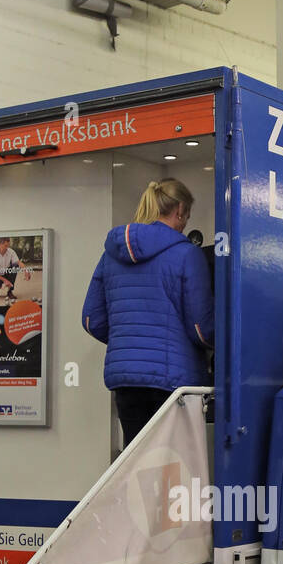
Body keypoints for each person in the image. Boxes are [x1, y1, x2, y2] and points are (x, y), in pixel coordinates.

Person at [82, 178, 214, 445]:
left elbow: (91, 319)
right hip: (175, 382)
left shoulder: (110, 255)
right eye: (186, 214)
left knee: (138, 460)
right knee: (174, 463)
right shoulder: (187, 255)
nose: (185, 221)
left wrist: (130, 339)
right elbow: (202, 328)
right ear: (179, 209)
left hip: (126, 380)